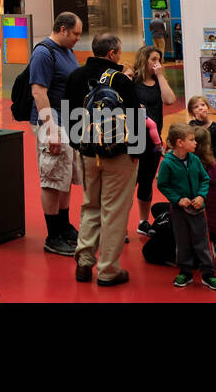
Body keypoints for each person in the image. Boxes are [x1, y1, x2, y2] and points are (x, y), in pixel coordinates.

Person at [65, 32, 143, 286]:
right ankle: (108, 270)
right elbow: (134, 117)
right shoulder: (120, 80)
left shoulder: (76, 76)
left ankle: (84, 262)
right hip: (118, 154)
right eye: (119, 51)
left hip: (87, 153)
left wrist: (79, 146)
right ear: (112, 53)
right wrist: (136, 152)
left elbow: (68, 116)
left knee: (90, 205)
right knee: (114, 211)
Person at [29, 11, 84, 256]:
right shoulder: (43, 53)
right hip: (52, 123)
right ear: (62, 29)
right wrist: (51, 130)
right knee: (52, 178)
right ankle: (53, 235)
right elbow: (39, 92)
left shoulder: (67, 51)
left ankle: (64, 226)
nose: (77, 39)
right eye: (75, 33)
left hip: (68, 121)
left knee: (65, 175)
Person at [156, 123, 216, 291]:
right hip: (179, 211)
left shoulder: (194, 160)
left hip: (198, 209)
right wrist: (177, 199)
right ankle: (185, 271)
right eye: (191, 140)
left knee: (202, 241)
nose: (195, 143)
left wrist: (201, 196)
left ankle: (208, 273)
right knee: (182, 241)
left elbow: (204, 179)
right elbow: (163, 185)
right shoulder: (167, 163)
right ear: (180, 143)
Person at [132, 45, 175, 237]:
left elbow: (170, 100)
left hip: (154, 140)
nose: (157, 63)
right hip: (133, 139)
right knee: (129, 181)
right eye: (153, 59)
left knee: (147, 181)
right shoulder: (133, 81)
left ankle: (143, 221)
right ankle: (119, 224)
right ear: (144, 60)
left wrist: (160, 76)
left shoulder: (159, 82)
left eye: (159, 59)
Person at [187, 95, 216, 167]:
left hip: (212, 164)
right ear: (192, 112)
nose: (200, 108)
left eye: (203, 105)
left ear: (208, 108)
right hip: (196, 164)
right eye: (196, 107)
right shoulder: (191, 126)